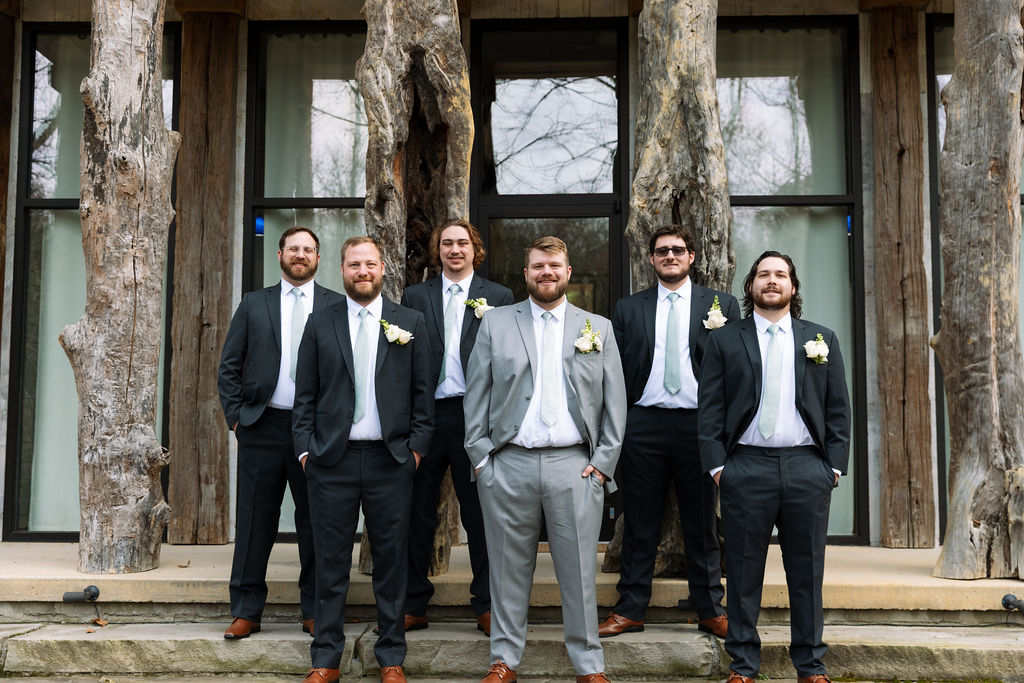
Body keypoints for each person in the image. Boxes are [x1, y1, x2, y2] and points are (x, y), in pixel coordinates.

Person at [465, 236, 627, 683]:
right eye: (538, 266)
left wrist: (603, 464)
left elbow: (616, 404)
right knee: (506, 570)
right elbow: (475, 396)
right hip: (508, 465)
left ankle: (589, 666)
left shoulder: (598, 327)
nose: (546, 272)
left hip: (575, 467)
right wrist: (481, 459)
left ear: (568, 272)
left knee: (578, 573)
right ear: (526, 273)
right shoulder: (497, 323)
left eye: (554, 265)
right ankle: (504, 661)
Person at [697, 251, 850, 683]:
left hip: (807, 469)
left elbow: (839, 410)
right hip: (745, 468)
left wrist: (833, 468)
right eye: (763, 274)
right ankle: (743, 666)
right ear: (751, 286)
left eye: (780, 275)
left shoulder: (821, 338)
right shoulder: (726, 340)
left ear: (793, 287)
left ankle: (811, 666)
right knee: (744, 574)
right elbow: (709, 410)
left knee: (807, 573)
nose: (771, 281)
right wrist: (718, 468)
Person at [293, 236, 434, 683]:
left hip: (390, 460)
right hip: (330, 461)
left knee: (391, 565)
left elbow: (423, 395)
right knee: (330, 563)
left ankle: (390, 656)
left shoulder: (408, 321)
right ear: (342, 269)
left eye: (370, 264)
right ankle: (325, 659)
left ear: (383, 268)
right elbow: (305, 396)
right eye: (354, 265)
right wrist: (305, 450)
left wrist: (414, 450)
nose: (363, 272)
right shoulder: (321, 322)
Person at [600, 226, 740, 640]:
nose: (670, 256)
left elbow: (735, 368)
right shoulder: (628, 308)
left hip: (700, 425)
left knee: (701, 521)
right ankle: (630, 609)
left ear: (692, 256)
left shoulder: (721, 304)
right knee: (641, 521)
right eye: (662, 251)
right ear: (651, 259)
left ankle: (710, 608)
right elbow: (616, 369)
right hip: (644, 423)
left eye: (678, 250)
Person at [217, 226, 344, 641]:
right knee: (255, 523)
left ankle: (314, 611)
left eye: (308, 250)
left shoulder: (336, 305)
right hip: (263, 426)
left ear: (319, 259)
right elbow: (229, 366)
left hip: (316, 430)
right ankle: (246, 610)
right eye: (294, 249)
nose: (301, 255)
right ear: (280, 254)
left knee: (316, 523)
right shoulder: (255, 304)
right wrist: (236, 417)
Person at [399, 219, 514, 635]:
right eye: (446, 243)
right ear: (438, 250)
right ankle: (414, 602)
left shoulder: (498, 297)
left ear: (474, 249)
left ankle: (485, 603)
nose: (454, 250)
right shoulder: (414, 296)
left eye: (462, 243)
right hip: (427, 416)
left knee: (481, 515)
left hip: (476, 416)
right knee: (417, 512)